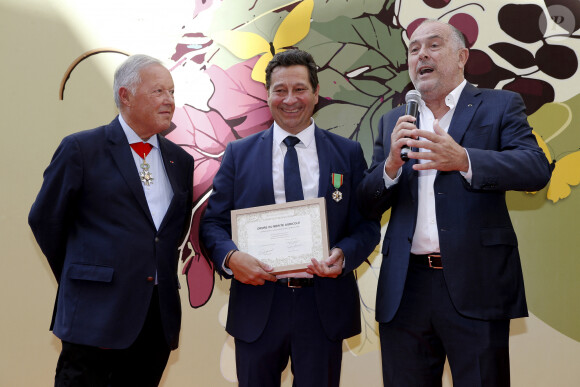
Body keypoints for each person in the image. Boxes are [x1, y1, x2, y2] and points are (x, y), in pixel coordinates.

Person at [357, 20, 552, 387]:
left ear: (462, 57)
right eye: (414, 49)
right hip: (406, 289)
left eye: (433, 46)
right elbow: (367, 203)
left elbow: (535, 168)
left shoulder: (499, 105)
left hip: (476, 282)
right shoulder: (394, 121)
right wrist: (391, 166)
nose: (421, 55)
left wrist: (465, 159)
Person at [200, 49, 380, 387]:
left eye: (299, 89)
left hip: (322, 305)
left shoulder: (347, 152)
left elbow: (367, 225)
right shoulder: (238, 154)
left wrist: (343, 255)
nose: (290, 99)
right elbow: (213, 224)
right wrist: (231, 257)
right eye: (279, 90)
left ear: (315, 93)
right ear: (267, 95)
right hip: (258, 304)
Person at [28, 54, 194, 386]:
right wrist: (86, 277)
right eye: (159, 91)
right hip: (95, 316)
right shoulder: (81, 149)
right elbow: (45, 221)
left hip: (155, 320)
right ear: (125, 95)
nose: (169, 101)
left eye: (172, 92)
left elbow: (169, 235)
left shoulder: (181, 160)